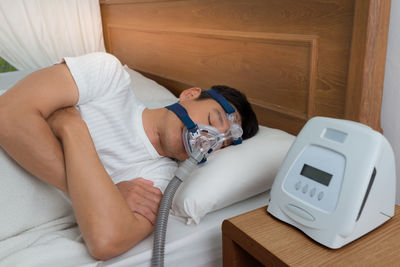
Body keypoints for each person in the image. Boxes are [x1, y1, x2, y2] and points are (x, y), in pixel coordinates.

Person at [0, 52, 258, 260]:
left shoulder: (161, 183)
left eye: (217, 143)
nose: (205, 138)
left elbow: (106, 241)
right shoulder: (107, 78)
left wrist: (72, 128)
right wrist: (106, 195)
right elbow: (7, 114)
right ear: (190, 94)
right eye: (213, 119)